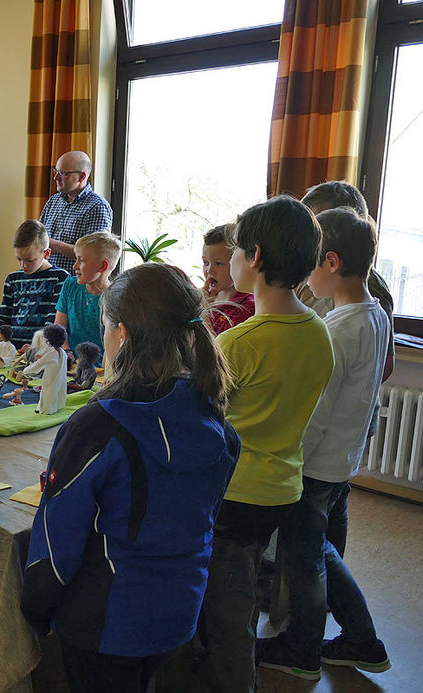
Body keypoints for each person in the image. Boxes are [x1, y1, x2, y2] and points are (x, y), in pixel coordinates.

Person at [22, 262, 239, 693]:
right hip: (179, 610)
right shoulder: (216, 421)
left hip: (106, 620)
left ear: (120, 333)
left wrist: (34, 612)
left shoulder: (96, 428)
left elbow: (55, 545)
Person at [165, 196, 335, 693]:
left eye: (235, 250)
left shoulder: (243, 341)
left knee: (229, 607)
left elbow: (197, 416)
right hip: (283, 486)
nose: (230, 260)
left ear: (255, 257)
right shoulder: (318, 332)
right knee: (235, 589)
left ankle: (233, 681)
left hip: (235, 491)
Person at [256, 207, 391, 680]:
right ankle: (362, 639)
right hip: (343, 465)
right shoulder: (375, 317)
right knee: (322, 554)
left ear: (330, 263)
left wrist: (291, 463)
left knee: (307, 560)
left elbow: (317, 414)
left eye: (310, 263)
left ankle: (302, 650)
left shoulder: (335, 331)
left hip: (315, 468)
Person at [301, 180, 395, 558]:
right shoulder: (323, 282)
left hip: (340, 422)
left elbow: (382, 364)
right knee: (325, 511)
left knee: (323, 519)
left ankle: (317, 591)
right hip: (336, 425)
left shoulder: (373, 297)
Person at [0, 220, 69, 348]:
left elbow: (53, 320)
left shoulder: (60, 278)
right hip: (11, 347)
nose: (23, 265)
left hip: (40, 349)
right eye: (19, 259)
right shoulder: (13, 279)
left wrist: (37, 346)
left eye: (29, 260)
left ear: (46, 253)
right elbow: (4, 314)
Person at [39, 150, 113, 274]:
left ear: (82, 177)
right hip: (47, 282)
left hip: (76, 285)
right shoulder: (54, 201)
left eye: (63, 173)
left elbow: (95, 254)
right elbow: (38, 235)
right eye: (55, 171)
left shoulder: (97, 207)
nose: (55, 177)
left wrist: (57, 246)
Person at [54, 231, 121, 365]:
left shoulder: (115, 297)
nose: (75, 266)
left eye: (82, 260)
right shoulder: (70, 285)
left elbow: (114, 345)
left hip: (99, 370)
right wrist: (66, 351)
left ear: (102, 266)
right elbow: (59, 327)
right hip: (69, 364)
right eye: (76, 259)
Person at [201, 224, 255, 335]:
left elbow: (219, 350)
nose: (210, 271)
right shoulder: (207, 297)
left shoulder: (246, 308)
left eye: (219, 263)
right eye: (206, 262)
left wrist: (203, 311)